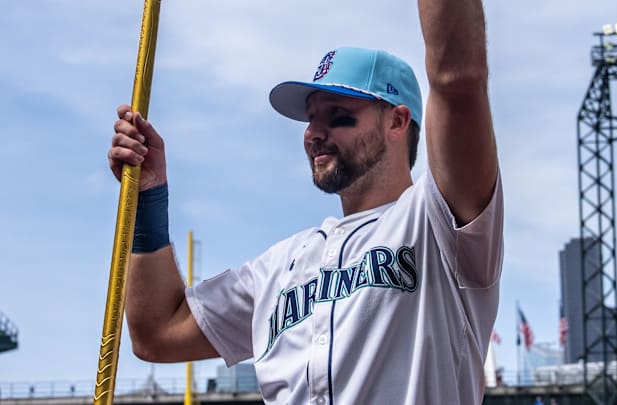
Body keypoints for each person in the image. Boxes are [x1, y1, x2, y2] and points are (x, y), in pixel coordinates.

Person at [108, 0, 502, 403]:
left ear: (397, 121)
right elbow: (157, 331)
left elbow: (458, 78)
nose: (313, 132)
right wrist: (150, 195)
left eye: (337, 114)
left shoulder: (438, 223)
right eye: (311, 117)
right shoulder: (279, 267)